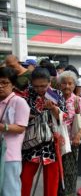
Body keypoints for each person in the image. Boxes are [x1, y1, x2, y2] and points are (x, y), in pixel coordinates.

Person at [21, 67, 66, 196]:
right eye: (36, 86)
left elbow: (64, 117)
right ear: (31, 83)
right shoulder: (27, 94)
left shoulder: (55, 94)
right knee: (25, 177)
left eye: (43, 86)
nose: (39, 89)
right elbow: (20, 115)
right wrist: (32, 116)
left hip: (50, 142)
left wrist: (54, 109)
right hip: (31, 141)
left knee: (51, 178)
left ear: (49, 82)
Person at [58, 71, 81, 196]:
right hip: (55, 141)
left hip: (71, 142)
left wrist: (78, 135)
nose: (67, 86)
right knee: (56, 171)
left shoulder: (78, 100)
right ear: (59, 84)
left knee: (69, 170)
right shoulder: (55, 99)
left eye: (70, 83)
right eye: (64, 83)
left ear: (74, 85)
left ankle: (69, 193)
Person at [0, 67, 30, 196]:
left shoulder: (19, 102)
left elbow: (21, 127)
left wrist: (3, 127)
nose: (0, 86)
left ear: (12, 84)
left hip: (10, 156)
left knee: (10, 191)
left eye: (4, 83)